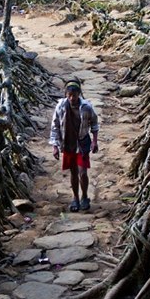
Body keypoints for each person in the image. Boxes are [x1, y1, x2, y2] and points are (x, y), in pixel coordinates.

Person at [49, 79, 99, 212]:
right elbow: (55, 126)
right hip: (68, 144)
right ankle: (75, 198)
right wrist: (55, 146)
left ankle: (85, 196)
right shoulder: (60, 107)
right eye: (69, 95)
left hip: (82, 143)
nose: (72, 98)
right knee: (73, 172)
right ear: (66, 94)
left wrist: (94, 141)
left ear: (79, 95)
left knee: (83, 173)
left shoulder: (86, 107)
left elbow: (94, 123)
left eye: (74, 95)